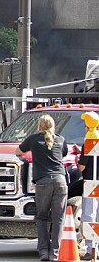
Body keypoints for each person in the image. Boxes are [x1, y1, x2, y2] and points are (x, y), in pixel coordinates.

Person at [16, 114, 68, 262]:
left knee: (42, 217)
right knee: (58, 219)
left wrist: (29, 155)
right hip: (60, 181)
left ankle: (44, 252)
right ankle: (55, 254)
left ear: (39, 125)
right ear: (53, 125)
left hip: (43, 182)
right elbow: (63, 154)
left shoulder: (33, 139)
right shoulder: (60, 139)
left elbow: (18, 152)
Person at [78, 111, 99, 261]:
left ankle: (90, 249)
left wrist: (77, 162)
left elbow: (82, 167)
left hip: (91, 183)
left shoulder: (90, 140)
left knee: (88, 214)